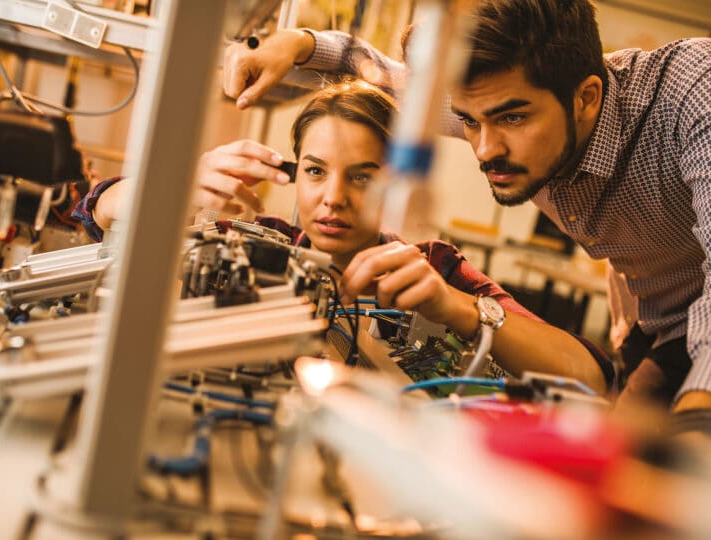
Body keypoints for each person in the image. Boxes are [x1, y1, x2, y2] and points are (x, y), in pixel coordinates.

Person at [220, 0, 711, 419]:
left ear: (586, 98)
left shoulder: (693, 95)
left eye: (511, 118)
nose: (483, 149)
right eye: (467, 122)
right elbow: (378, 75)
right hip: (667, 319)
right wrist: (300, 44)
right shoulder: (503, 111)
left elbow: (593, 370)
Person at [73, 81, 612, 394]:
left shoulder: (431, 269)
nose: (333, 197)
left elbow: (591, 375)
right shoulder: (254, 241)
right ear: (293, 171)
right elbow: (93, 212)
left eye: (362, 176)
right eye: (315, 171)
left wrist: (458, 308)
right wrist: (173, 185)